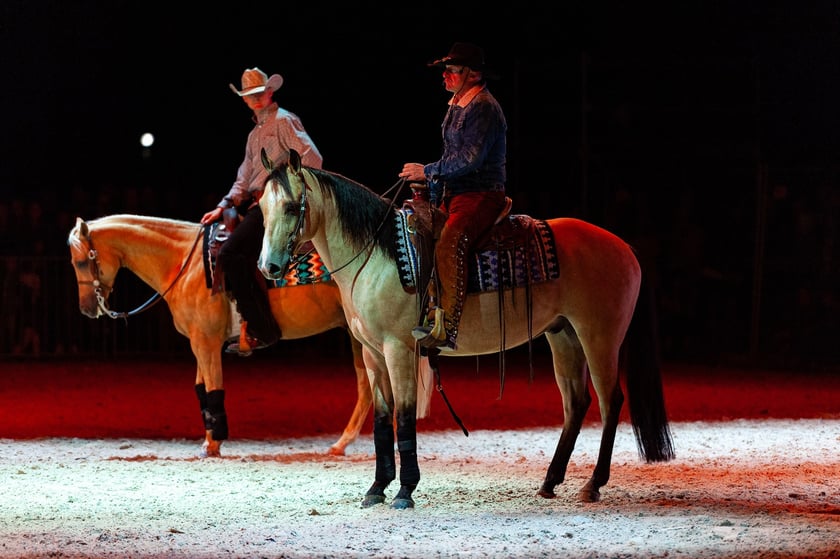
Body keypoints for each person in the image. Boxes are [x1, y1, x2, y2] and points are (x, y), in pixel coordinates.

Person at [201, 67, 323, 355]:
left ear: (270, 92)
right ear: (244, 99)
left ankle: (261, 329)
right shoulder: (254, 134)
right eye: (249, 95)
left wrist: (289, 190)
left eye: (259, 93)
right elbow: (244, 177)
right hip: (260, 202)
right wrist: (224, 205)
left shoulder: (284, 120)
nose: (255, 98)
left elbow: (312, 158)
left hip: (275, 202)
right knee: (236, 252)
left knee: (230, 253)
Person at [399, 42, 508, 350]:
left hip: (481, 194)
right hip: (457, 194)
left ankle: (446, 327)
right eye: (445, 70)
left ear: (473, 74)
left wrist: (427, 171)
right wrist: (430, 188)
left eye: (452, 71)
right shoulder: (458, 104)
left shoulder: (483, 106)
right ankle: (426, 305)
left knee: (450, 241)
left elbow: (470, 159)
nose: (444, 75)